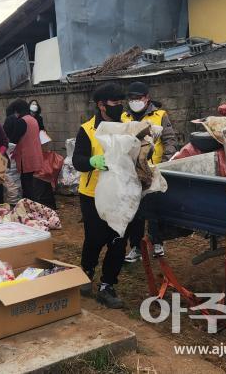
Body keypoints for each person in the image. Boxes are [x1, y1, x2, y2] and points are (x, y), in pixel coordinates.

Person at [72, 82, 134, 308]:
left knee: (118, 240)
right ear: (101, 105)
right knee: (95, 237)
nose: (120, 107)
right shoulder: (87, 130)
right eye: (115, 103)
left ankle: (107, 285)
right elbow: (77, 160)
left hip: (121, 193)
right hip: (92, 194)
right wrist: (92, 162)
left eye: (121, 102)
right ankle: (86, 270)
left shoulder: (127, 126)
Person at [123, 81, 177, 262]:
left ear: (147, 98)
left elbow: (169, 139)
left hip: (154, 169)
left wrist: (165, 162)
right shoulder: (124, 117)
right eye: (131, 98)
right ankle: (137, 247)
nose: (135, 101)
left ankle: (157, 242)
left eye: (138, 98)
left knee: (154, 209)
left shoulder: (160, 115)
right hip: (131, 171)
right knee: (135, 211)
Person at [3, 99, 43, 202]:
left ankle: (29, 206)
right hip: (34, 155)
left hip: (25, 158)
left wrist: (5, 151)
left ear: (17, 111)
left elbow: (14, 139)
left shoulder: (22, 121)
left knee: (27, 185)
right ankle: (32, 205)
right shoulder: (33, 119)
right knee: (29, 182)